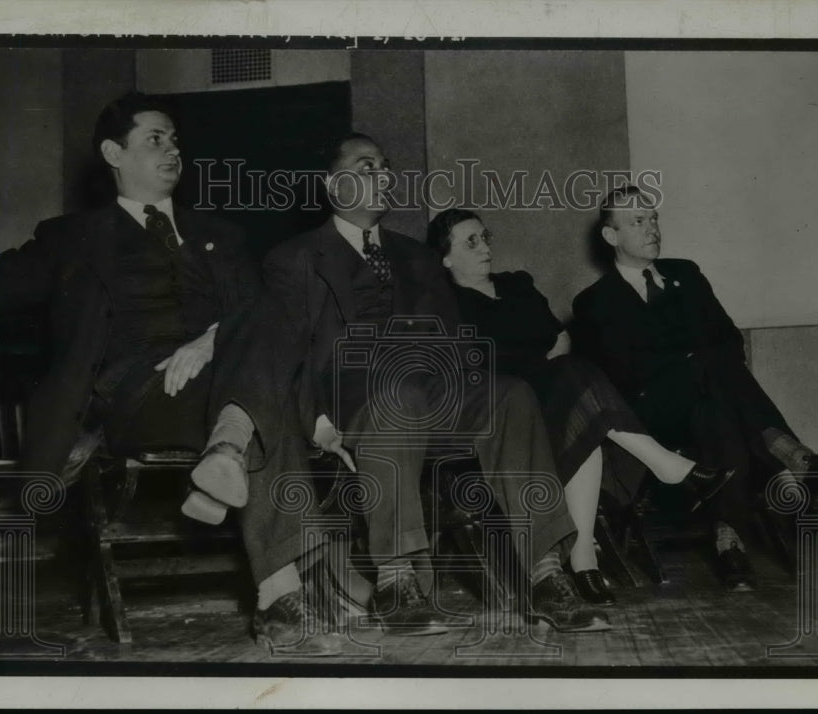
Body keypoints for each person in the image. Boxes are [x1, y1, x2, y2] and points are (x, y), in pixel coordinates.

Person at [0, 92, 344, 655]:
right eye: (155, 138)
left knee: (277, 312)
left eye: (175, 139)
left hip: (224, 378)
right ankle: (282, 575)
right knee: (265, 396)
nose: (173, 149)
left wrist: (210, 338)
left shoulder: (222, 234)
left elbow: (266, 321)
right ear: (113, 152)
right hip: (139, 391)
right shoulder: (71, 236)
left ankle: (235, 468)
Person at [257, 132, 611, 635]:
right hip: (352, 404)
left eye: (384, 166)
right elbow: (283, 356)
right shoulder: (293, 259)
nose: (382, 177)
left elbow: (454, 345)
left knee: (510, 395)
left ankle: (546, 573)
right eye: (365, 167)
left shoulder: (416, 258)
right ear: (331, 184)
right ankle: (396, 582)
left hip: (430, 395)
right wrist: (316, 422)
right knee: (399, 396)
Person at [427, 208, 736, 604]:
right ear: (445, 257)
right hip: (507, 418)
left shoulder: (516, 284)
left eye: (485, 236)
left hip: (555, 400)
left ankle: (585, 557)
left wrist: (525, 359)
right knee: (576, 388)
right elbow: (477, 366)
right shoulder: (444, 303)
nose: (485, 246)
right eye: (470, 241)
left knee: (579, 395)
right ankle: (665, 469)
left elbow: (561, 340)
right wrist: (534, 360)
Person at [569, 185, 818, 591]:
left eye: (654, 219)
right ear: (611, 236)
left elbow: (730, 340)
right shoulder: (594, 301)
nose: (653, 229)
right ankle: (801, 461)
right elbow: (626, 373)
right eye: (638, 221)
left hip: (708, 406)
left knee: (714, 407)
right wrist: (689, 361)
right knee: (710, 370)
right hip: (653, 420)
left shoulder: (686, 273)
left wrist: (694, 364)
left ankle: (728, 540)